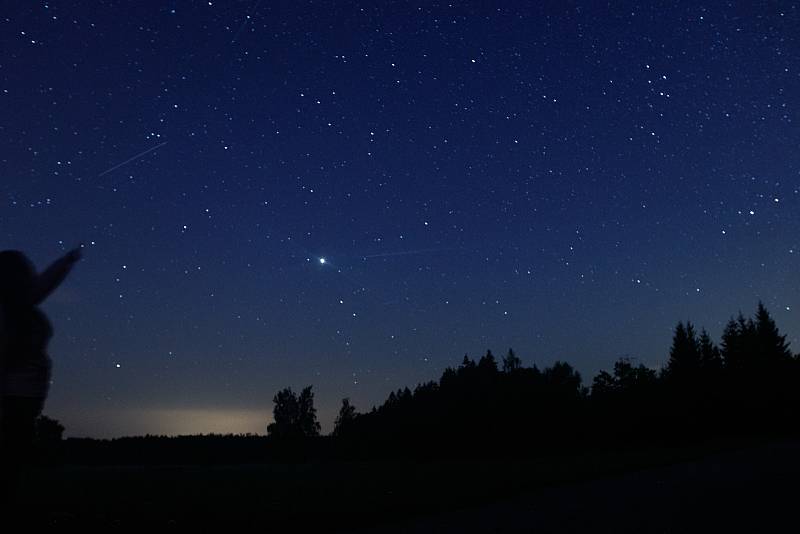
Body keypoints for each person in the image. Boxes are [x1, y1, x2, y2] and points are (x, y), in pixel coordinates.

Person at [0, 246, 82, 494]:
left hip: (28, 394)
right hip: (12, 396)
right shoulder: (6, 312)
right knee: (11, 451)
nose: (32, 274)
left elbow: (45, 282)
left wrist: (65, 262)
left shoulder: (23, 302)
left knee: (16, 450)